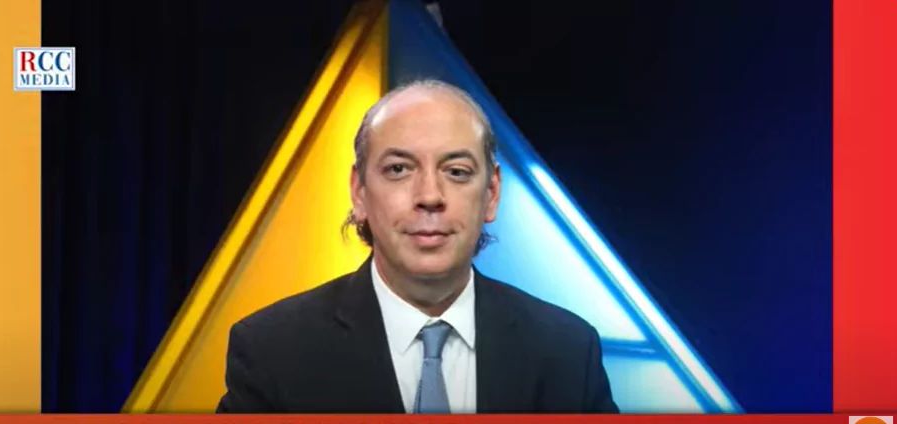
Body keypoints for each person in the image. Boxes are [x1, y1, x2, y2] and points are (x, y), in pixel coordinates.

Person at [216, 79, 619, 414]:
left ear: (492, 193)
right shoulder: (272, 352)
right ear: (359, 192)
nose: (429, 196)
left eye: (457, 171)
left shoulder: (567, 352)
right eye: (399, 169)